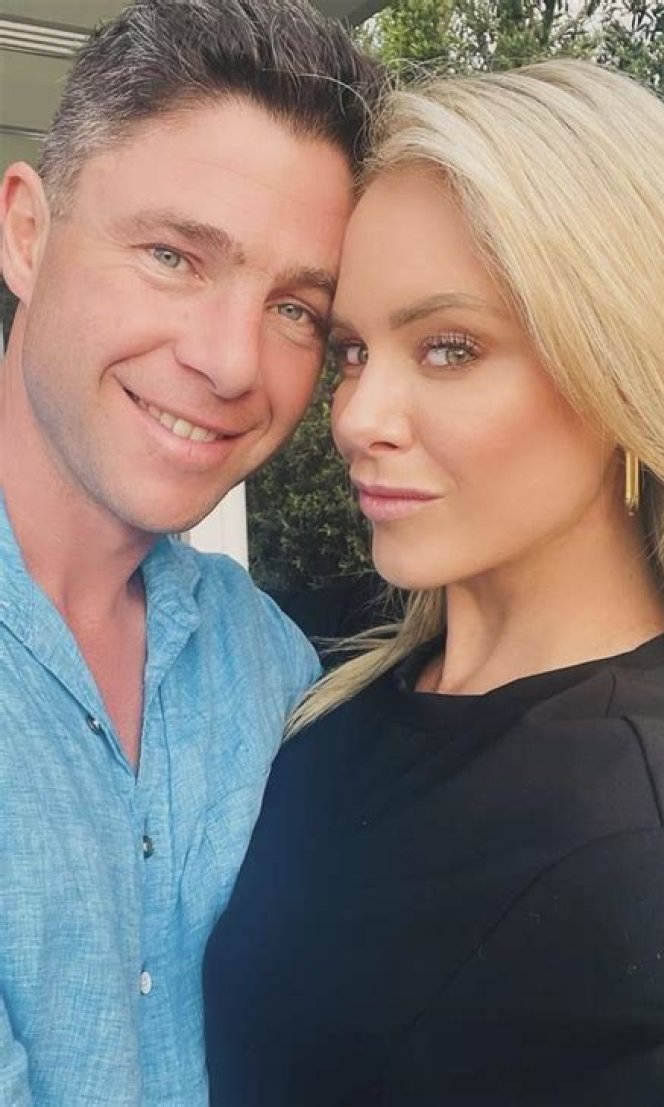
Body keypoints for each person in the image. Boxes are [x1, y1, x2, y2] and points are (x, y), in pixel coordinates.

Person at [204, 61, 664, 1106]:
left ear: (622, 372)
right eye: (352, 351)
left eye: (449, 348)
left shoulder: (663, 854)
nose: (357, 419)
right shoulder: (314, 676)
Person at [0, 1, 382, 1103]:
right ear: (26, 233)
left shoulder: (268, 668)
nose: (231, 362)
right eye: (173, 255)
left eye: (296, 309)